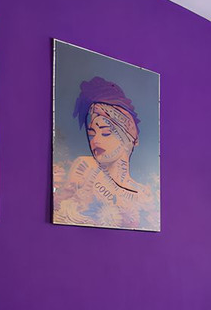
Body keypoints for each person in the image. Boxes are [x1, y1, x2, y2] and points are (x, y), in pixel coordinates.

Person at [53, 76, 157, 230]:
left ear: (129, 138)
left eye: (106, 133)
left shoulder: (145, 196)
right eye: (91, 134)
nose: (95, 140)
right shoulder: (85, 167)